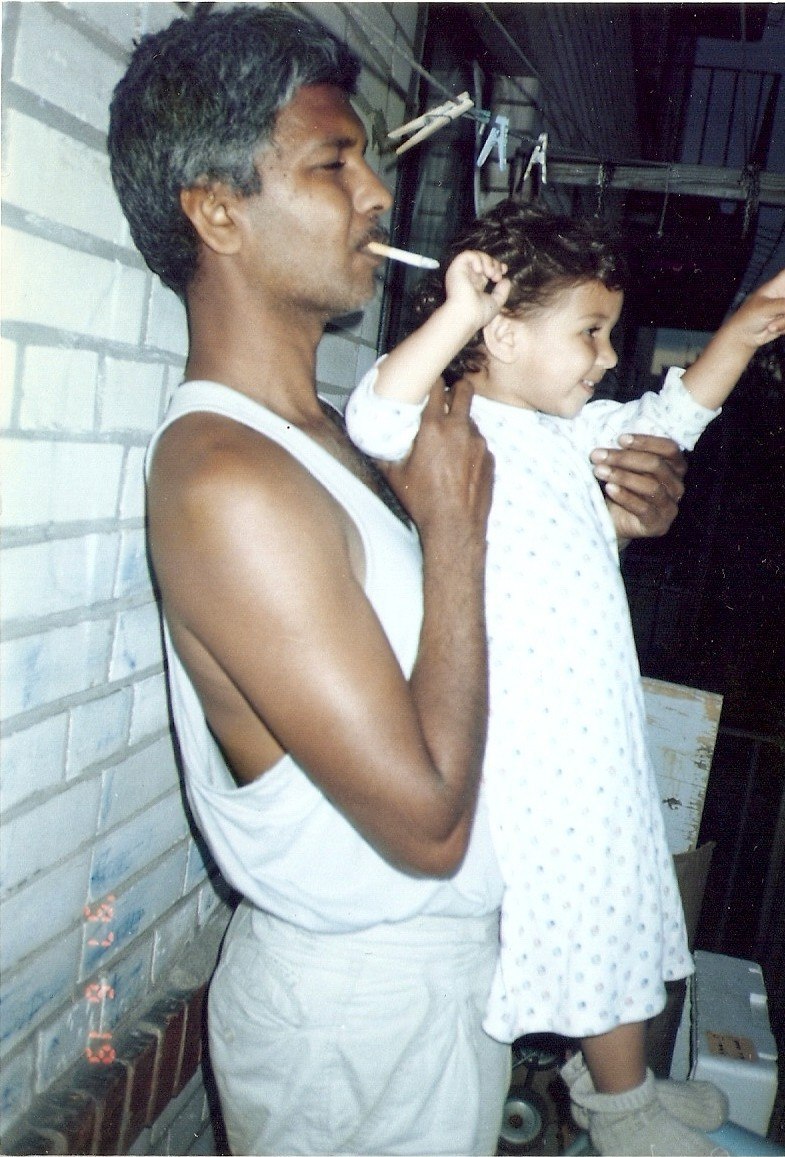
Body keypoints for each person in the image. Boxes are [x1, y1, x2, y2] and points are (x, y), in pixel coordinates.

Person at [107, 10, 691, 1155]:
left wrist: (606, 524)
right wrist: (455, 527)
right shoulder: (227, 479)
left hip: (426, 996)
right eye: (334, 163)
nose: (377, 193)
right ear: (216, 212)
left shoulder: (326, 438)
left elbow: (456, 647)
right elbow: (424, 821)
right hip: (359, 1028)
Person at [346, 200, 785, 1156]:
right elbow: (372, 414)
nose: (604, 356)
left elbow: (673, 418)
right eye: (588, 331)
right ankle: (622, 1111)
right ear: (502, 332)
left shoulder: (573, 431)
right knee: (589, 898)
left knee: (624, 887)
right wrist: (459, 312)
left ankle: (618, 1079)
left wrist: (750, 325)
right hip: (529, 732)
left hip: (593, 715)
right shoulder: (449, 428)